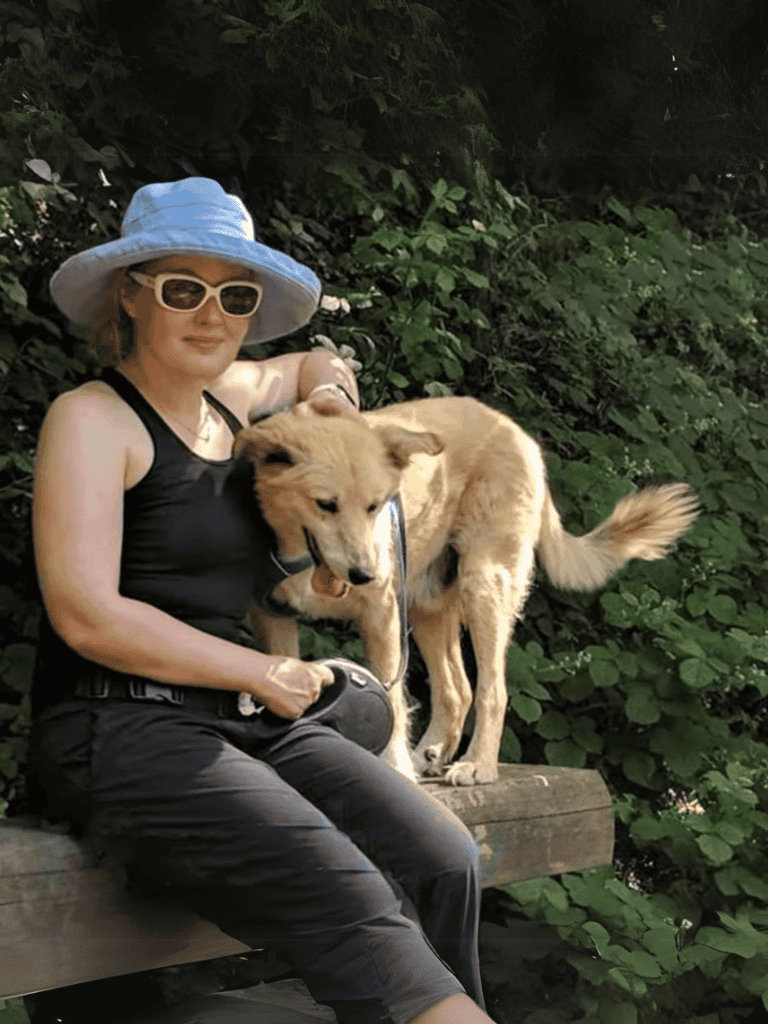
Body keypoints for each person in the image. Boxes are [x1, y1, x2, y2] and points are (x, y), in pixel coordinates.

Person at [27, 178, 496, 1024]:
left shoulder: (230, 399)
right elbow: (85, 612)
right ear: (131, 295)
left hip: (235, 717)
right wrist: (264, 667)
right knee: (357, 900)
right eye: (183, 289)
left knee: (445, 857)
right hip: (119, 724)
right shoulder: (91, 420)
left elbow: (319, 364)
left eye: (235, 295)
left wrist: (333, 408)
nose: (212, 315)